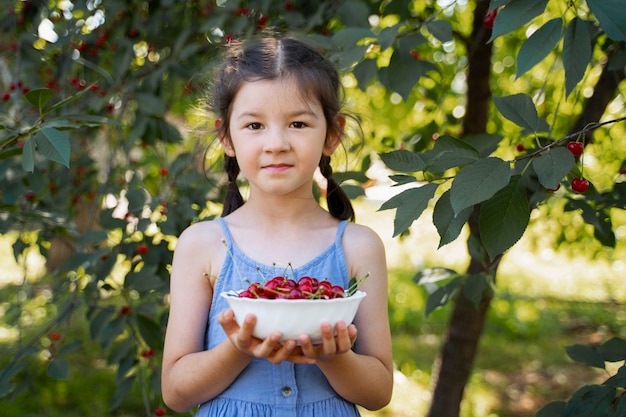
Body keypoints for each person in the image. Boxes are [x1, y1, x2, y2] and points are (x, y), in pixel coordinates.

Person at [161, 35, 393, 417]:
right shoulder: (202, 245)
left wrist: (333, 356)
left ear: (332, 135)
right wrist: (238, 347)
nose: (276, 143)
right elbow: (176, 392)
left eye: (298, 123)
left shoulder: (357, 246)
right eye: (254, 125)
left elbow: (379, 391)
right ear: (226, 137)